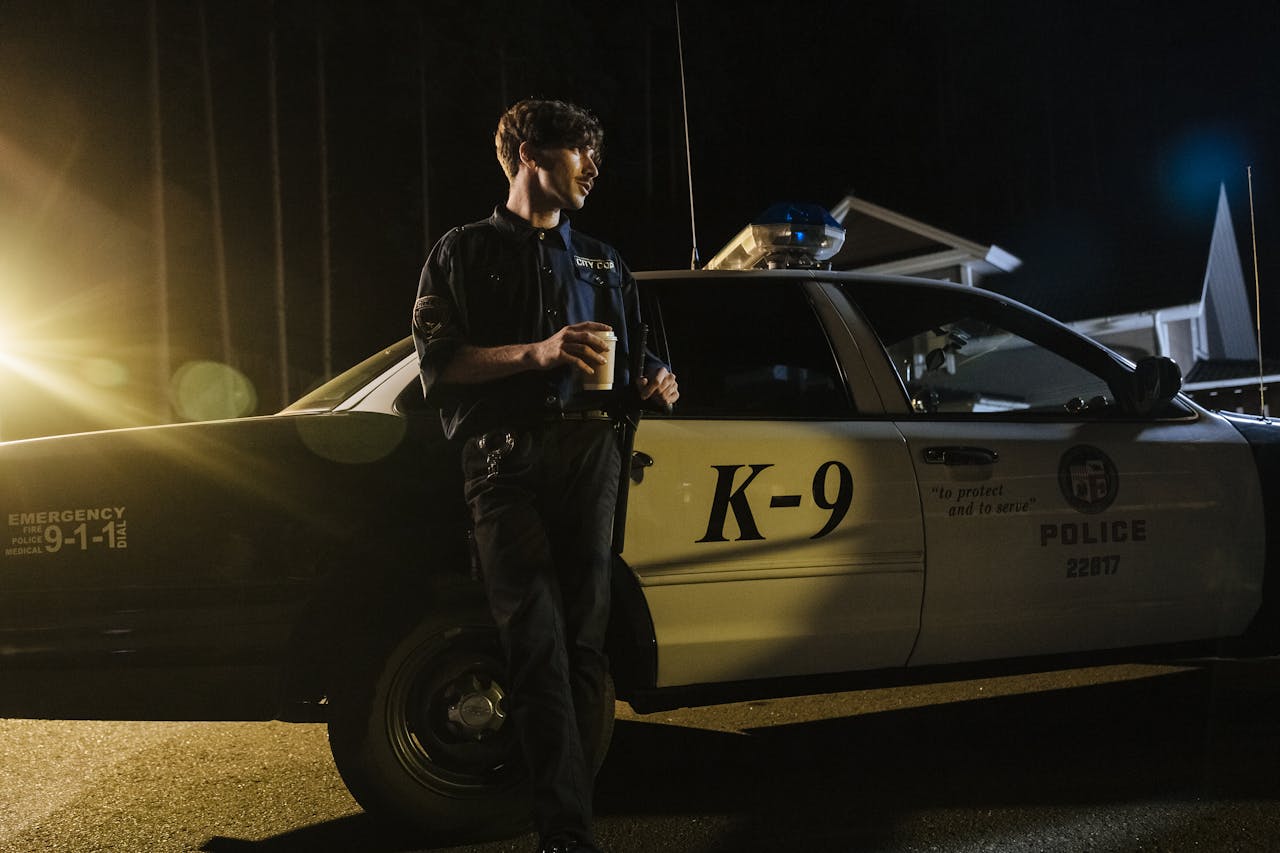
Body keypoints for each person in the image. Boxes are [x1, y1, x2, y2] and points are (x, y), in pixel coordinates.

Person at [411, 99, 678, 853]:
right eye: (578, 153)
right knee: (534, 642)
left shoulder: (603, 259)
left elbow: (643, 355)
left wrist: (658, 379)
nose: (593, 169)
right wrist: (537, 352)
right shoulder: (460, 252)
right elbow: (441, 366)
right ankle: (566, 831)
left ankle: (570, 821)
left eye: (595, 156)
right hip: (503, 461)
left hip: (591, 455)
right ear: (531, 154)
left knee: (586, 646)